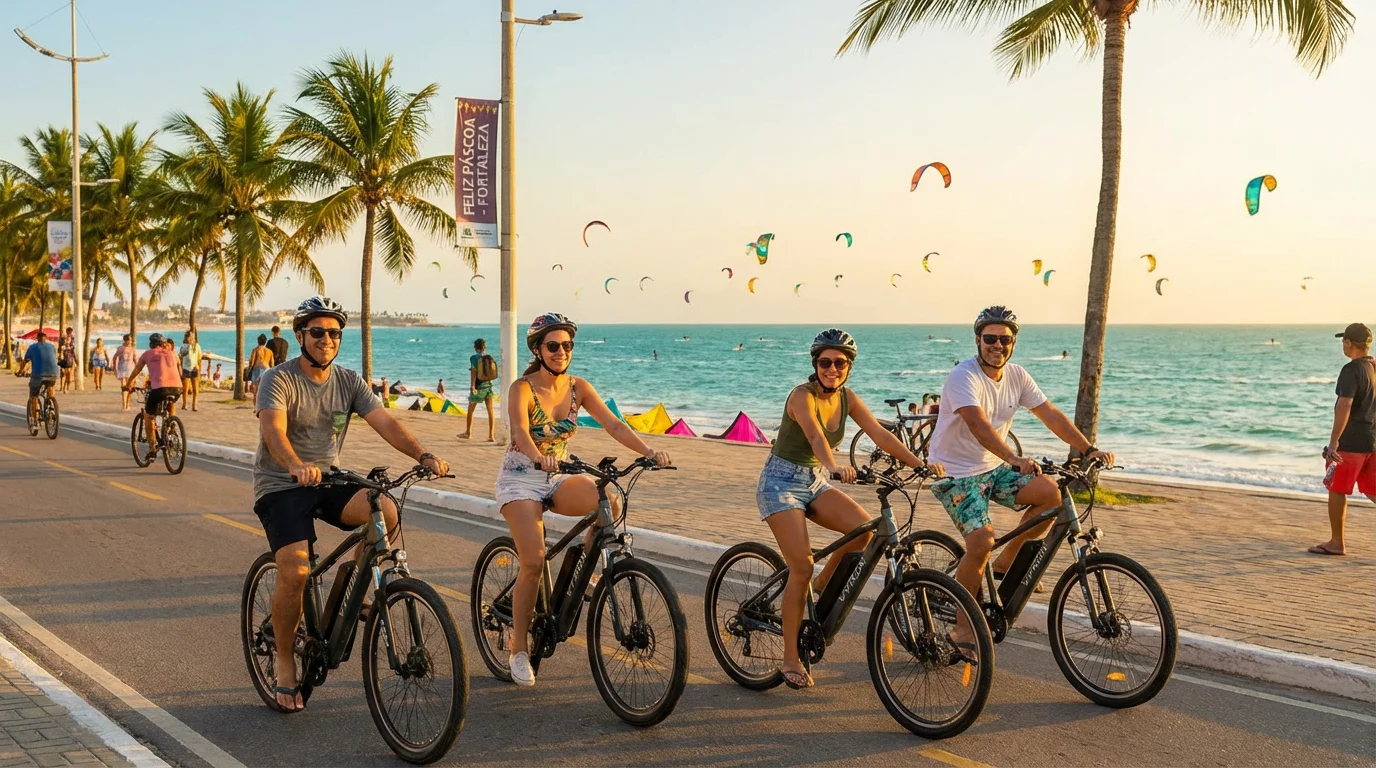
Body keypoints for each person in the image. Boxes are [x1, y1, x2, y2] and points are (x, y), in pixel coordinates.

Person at [254, 297, 450, 713]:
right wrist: (294, 465)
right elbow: (273, 429)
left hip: (329, 478)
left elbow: (386, 423)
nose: (327, 340)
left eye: (335, 333)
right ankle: (286, 662)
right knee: (297, 570)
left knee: (387, 509)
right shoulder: (278, 378)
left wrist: (423, 456)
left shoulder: (348, 381)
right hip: (281, 484)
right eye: (318, 332)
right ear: (300, 336)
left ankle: (357, 584)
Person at [757, 328, 938, 689]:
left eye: (840, 363)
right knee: (801, 565)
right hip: (779, 483)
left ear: (849, 367)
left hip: (814, 481)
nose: (832, 368)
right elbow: (814, 435)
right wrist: (836, 465)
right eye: (825, 362)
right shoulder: (801, 396)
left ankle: (821, 589)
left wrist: (917, 462)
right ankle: (790, 658)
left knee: (865, 533)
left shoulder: (848, 398)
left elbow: (880, 433)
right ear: (815, 364)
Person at [496, 313, 671, 688]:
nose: (562, 352)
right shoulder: (522, 388)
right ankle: (518, 649)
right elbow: (519, 433)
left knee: (608, 501)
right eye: (553, 346)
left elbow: (614, 424)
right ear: (538, 350)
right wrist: (537, 456)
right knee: (533, 560)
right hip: (520, 478)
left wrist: (648, 450)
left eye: (567, 345)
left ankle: (588, 574)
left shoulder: (578, 387)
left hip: (557, 474)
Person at [928, 306, 1112, 651]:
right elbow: (978, 424)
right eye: (990, 339)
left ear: (1013, 342)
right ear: (978, 340)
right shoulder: (963, 377)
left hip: (992, 467)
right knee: (980, 543)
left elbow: (1050, 414)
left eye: (1005, 339)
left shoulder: (1017, 376)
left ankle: (1007, 561)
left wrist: (1088, 449)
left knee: (1051, 496)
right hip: (955, 473)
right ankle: (963, 625)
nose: (997, 345)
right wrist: (1013, 458)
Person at [1310, 323, 1376, 556]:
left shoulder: (1351, 370)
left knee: (1337, 488)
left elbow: (1345, 404)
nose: (1342, 346)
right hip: (1372, 441)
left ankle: (1336, 543)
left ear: (1349, 342)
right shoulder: (1373, 367)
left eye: (1343, 341)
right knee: (1373, 491)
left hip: (1351, 443)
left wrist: (1334, 442)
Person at [123, 334, 184, 462]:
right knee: (170, 402)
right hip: (178, 388)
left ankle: (152, 450)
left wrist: (128, 385)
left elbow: (136, 371)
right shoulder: (172, 353)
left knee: (149, 416)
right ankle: (171, 426)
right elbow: (179, 367)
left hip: (159, 389)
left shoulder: (147, 354)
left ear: (151, 344)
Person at [17, 332, 59, 421]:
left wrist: (20, 371)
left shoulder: (32, 347)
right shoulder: (52, 347)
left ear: (37, 338)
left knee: (34, 395)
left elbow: (25, 361)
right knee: (50, 386)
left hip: (38, 375)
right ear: (46, 338)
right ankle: (51, 405)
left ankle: (35, 420)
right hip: (53, 373)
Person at [462, 338, 497, 441]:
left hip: (479, 387)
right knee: (490, 411)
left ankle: (468, 433)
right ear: (484, 347)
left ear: (475, 347)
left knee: (470, 410)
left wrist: (472, 386)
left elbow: (473, 372)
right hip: (488, 386)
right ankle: (491, 436)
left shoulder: (474, 358)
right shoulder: (489, 357)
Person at [112, 334, 138, 410]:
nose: (129, 342)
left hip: (131, 370)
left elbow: (136, 360)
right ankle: (124, 405)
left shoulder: (133, 349)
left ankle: (127, 403)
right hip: (122, 370)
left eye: (130, 340)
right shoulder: (120, 348)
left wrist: (137, 371)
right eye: (128, 340)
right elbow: (114, 358)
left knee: (129, 388)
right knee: (124, 387)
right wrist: (114, 368)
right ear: (125, 340)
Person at [180, 330, 203, 412]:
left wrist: (199, 368)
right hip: (186, 368)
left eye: (192, 336)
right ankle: (184, 404)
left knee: (195, 389)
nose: (191, 338)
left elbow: (199, 358)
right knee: (185, 388)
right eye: (190, 336)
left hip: (194, 368)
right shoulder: (183, 346)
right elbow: (181, 355)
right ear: (186, 337)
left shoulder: (197, 346)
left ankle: (194, 405)